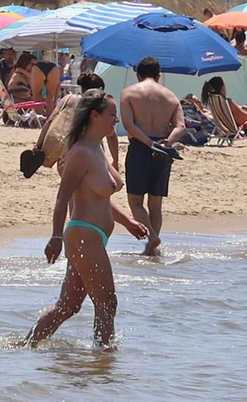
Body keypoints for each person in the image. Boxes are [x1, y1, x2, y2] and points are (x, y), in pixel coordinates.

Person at [22, 90, 149, 347]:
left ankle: (26, 346)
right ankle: (103, 361)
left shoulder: (96, 149)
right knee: (107, 302)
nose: (116, 120)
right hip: (83, 236)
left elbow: (102, 198)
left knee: (68, 306)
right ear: (94, 115)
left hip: (93, 237)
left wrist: (128, 223)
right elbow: (62, 197)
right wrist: (56, 237)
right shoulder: (80, 152)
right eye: (111, 114)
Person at [120, 56, 184, 257]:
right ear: (159, 75)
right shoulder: (171, 97)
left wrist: (148, 143)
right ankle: (152, 247)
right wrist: (166, 143)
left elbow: (129, 126)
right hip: (163, 150)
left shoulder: (129, 93)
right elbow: (181, 126)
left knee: (135, 202)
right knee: (155, 205)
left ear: (138, 74)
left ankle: (152, 237)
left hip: (140, 147)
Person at [33, 72, 118, 171]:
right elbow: (112, 136)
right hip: (91, 154)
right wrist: (115, 161)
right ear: (99, 89)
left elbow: (50, 121)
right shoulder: (97, 106)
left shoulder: (67, 99)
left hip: (65, 155)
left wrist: (38, 146)